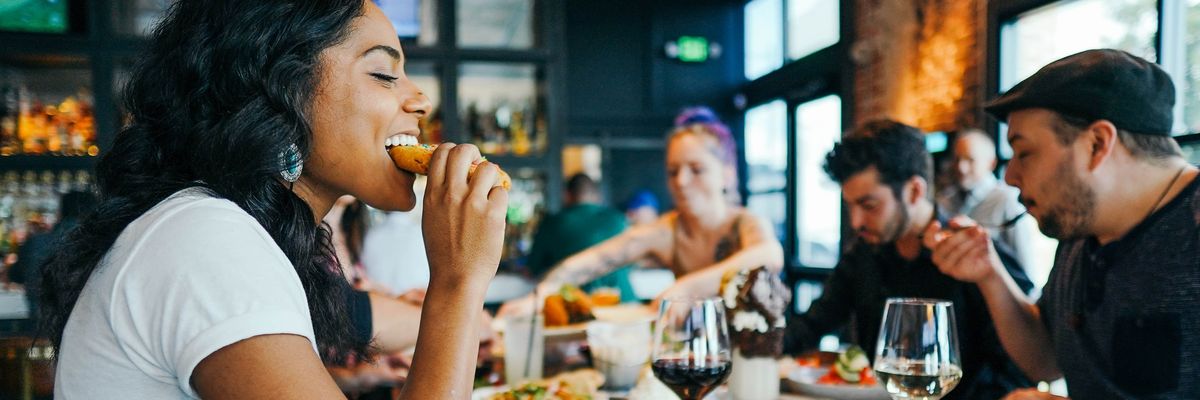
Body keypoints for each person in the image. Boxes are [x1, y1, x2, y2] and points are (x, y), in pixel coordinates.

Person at [37, 1, 507, 399]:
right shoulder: (204, 240)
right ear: (280, 91)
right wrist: (458, 281)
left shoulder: (242, 234)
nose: (422, 101)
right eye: (384, 73)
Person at [925, 49, 1200, 399]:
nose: (1009, 177)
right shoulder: (1082, 228)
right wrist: (989, 273)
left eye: (1024, 152)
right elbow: (1045, 360)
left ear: (1097, 144)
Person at [784, 119, 1034, 399]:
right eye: (850, 206)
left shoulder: (974, 255)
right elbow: (811, 325)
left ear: (914, 191)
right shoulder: (863, 255)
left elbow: (1022, 368)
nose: (856, 221)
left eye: (869, 205)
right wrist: (751, 339)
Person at [499, 107, 782, 315]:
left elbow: (769, 255)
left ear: (728, 175)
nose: (681, 181)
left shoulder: (745, 223)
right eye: (673, 171)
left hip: (755, 360)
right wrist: (538, 297)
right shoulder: (668, 230)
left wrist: (685, 288)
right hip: (697, 360)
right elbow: (595, 260)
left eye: (696, 169)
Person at [937, 129, 1046, 289]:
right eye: (957, 159)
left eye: (970, 160)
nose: (961, 167)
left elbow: (1025, 267)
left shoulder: (1007, 200)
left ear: (991, 163)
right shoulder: (944, 200)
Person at [526, 173, 633, 300]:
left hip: (576, 305)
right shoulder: (619, 219)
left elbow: (532, 269)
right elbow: (632, 262)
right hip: (624, 302)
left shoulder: (552, 223)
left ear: (566, 195)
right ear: (596, 195)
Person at [8, 190, 96, 323]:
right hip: (87, 330)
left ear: (60, 213)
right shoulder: (100, 245)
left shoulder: (35, 242)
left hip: (39, 329)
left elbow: (14, 275)